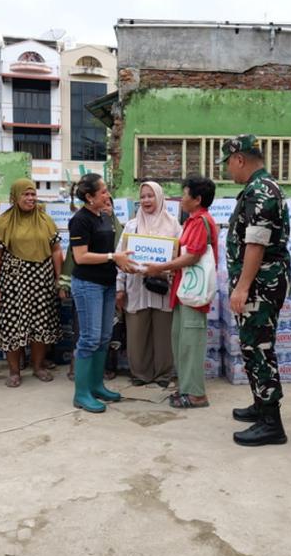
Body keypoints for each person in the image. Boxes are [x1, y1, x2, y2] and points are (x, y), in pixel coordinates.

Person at [220, 135, 291, 447]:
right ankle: (261, 404)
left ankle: (271, 423)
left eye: (228, 163)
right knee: (252, 346)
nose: (227, 170)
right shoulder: (260, 187)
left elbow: (256, 243)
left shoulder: (260, 190)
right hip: (260, 283)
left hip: (260, 285)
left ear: (239, 159)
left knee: (258, 348)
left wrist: (243, 287)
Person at [143, 176, 219, 409]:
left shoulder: (200, 221)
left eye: (185, 194)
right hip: (183, 292)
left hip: (192, 295)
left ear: (197, 199)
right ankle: (186, 387)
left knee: (191, 345)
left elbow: (192, 256)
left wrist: (160, 267)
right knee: (181, 342)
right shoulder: (191, 221)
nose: (181, 198)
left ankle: (196, 395)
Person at [68, 173, 137, 412]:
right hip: (88, 284)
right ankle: (81, 393)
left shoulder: (104, 216)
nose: (108, 195)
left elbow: (115, 250)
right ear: (90, 197)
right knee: (89, 338)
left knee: (104, 337)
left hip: (107, 283)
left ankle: (96, 386)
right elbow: (80, 257)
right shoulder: (80, 220)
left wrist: (123, 262)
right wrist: (112, 257)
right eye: (103, 191)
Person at [0, 178, 63, 388]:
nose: (31, 198)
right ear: (15, 197)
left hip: (42, 282)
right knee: (13, 325)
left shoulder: (46, 221)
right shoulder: (3, 222)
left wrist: (60, 279)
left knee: (41, 324)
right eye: (26, 194)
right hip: (13, 282)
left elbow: (56, 251)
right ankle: (14, 371)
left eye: (33, 194)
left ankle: (38, 366)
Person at [117, 181, 181, 387]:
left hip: (163, 288)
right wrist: (119, 287)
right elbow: (120, 258)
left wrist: (163, 269)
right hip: (136, 288)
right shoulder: (131, 226)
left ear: (160, 197)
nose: (146, 200)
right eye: (143, 196)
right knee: (137, 335)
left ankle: (163, 375)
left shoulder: (173, 225)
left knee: (163, 336)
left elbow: (179, 256)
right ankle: (140, 374)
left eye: (150, 196)